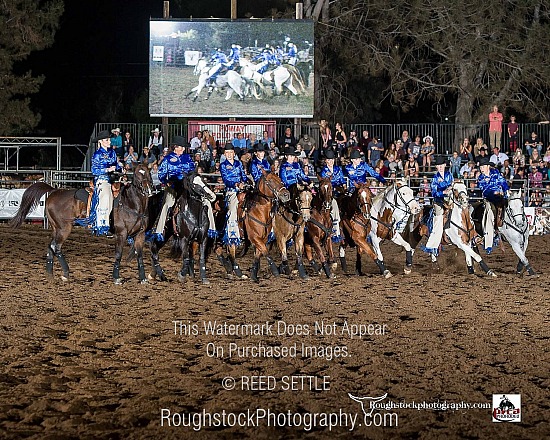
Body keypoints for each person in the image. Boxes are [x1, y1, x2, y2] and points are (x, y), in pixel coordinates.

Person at [154, 136, 195, 241]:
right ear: (176, 147)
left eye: (184, 147)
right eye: (181, 147)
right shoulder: (167, 159)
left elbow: (192, 170)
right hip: (172, 187)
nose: (183, 149)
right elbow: (161, 173)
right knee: (168, 204)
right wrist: (166, 182)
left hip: (186, 186)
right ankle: (160, 229)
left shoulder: (188, 158)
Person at [90, 130, 122, 236]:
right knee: (105, 199)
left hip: (111, 180)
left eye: (109, 139)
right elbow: (94, 170)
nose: (109, 141)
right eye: (107, 140)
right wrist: (107, 170)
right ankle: (101, 225)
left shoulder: (112, 152)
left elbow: (116, 165)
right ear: (101, 142)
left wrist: (120, 167)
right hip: (102, 180)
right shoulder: (97, 154)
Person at [477, 157, 509, 252]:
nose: (481, 168)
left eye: (483, 166)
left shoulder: (495, 173)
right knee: (490, 213)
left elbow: (503, 182)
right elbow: (484, 190)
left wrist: (505, 191)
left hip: (500, 197)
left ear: (487, 166)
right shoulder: (481, 178)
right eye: (480, 167)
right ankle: (488, 243)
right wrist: (495, 192)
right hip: (489, 199)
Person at [220, 143, 249, 245]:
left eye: (231, 152)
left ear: (234, 153)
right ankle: (232, 234)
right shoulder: (223, 165)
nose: (229, 154)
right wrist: (236, 184)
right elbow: (225, 179)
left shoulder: (239, 163)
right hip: (231, 190)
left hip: (242, 189)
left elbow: (243, 175)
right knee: (233, 209)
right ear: (224, 154)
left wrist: (244, 182)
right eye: (227, 153)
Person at [424, 156, 454, 256]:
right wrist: (443, 191)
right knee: (439, 217)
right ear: (436, 167)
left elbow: (452, 185)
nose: (440, 167)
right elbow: (434, 192)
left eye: (442, 165)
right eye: (438, 165)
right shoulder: (435, 178)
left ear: (445, 165)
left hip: (449, 200)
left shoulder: (449, 175)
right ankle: (433, 244)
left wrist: (449, 188)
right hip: (439, 201)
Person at [319, 149, 345, 242]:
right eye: (329, 160)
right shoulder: (324, 171)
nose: (330, 162)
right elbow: (326, 183)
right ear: (326, 161)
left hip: (339, 191)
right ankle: (336, 230)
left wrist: (344, 186)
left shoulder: (338, 169)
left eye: (332, 160)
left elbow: (342, 179)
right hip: (329, 193)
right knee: (334, 205)